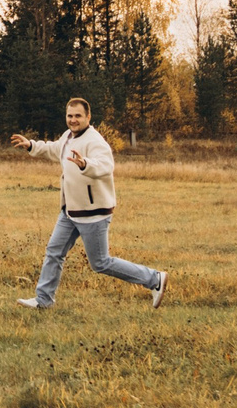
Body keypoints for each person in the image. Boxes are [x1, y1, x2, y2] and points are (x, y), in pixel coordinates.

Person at [10, 97, 168, 310]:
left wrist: (85, 163)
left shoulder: (95, 141)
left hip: (93, 213)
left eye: (78, 116)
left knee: (101, 263)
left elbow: (105, 165)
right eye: (70, 116)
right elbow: (54, 149)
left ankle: (154, 279)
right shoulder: (68, 136)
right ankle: (43, 300)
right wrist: (31, 145)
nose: (73, 120)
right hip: (71, 211)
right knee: (54, 251)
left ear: (88, 117)